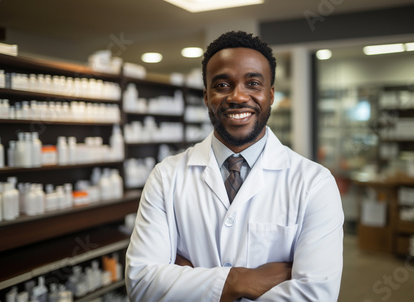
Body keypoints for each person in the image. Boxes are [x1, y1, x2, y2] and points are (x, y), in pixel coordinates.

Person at [126, 31, 344, 301]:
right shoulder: (166, 176)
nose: (238, 97)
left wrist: (187, 281)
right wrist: (240, 281)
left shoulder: (314, 183)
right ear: (206, 97)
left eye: (253, 83)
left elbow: (315, 295)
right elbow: (142, 284)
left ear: (271, 94)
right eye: (222, 85)